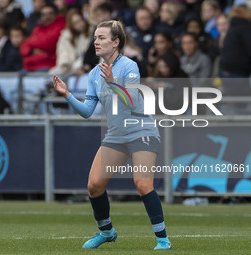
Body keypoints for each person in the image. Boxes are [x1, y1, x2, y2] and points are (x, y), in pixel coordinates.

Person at [53, 20, 171, 250]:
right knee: (94, 185)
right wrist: (67, 95)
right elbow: (87, 112)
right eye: (95, 37)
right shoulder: (94, 73)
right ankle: (107, 232)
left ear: (116, 42)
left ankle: (163, 240)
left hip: (141, 131)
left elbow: (133, 101)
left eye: (102, 37)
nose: (96, 42)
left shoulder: (129, 66)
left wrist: (113, 82)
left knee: (142, 184)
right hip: (116, 135)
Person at [20, 3, 66, 71]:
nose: (47, 17)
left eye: (50, 14)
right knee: (19, 74)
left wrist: (33, 44)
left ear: (56, 14)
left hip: (49, 65)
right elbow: (24, 46)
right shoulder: (38, 28)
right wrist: (31, 51)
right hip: (31, 65)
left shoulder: (60, 26)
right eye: (43, 14)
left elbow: (48, 43)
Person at [50, 8, 90, 75]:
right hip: (70, 66)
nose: (80, 24)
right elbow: (63, 52)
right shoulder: (66, 36)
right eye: (75, 23)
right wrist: (65, 64)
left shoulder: (93, 31)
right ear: (72, 26)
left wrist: (79, 65)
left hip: (85, 66)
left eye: (80, 20)